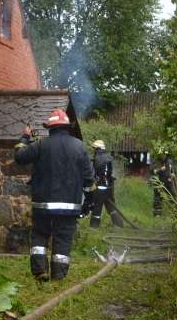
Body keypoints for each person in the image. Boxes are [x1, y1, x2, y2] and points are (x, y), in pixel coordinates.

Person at [14, 108, 95, 281]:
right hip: (69, 207)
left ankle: (40, 271)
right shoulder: (79, 146)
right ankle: (58, 275)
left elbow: (20, 157)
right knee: (63, 239)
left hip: (43, 205)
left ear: (50, 128)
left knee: (39, 236)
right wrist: (88, 202)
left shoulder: (41, 145)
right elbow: (89, 179)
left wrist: (25, 137)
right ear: (67, 127)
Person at [89, 139, 114, 228]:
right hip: (109, 187)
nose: (94, 150)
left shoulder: (97, 159)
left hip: (100, 187)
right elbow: (109, 173)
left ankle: (94, 227)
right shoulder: (109, 157)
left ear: (97, 149)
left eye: (94, 148)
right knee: (111, 207)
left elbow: (94, 174)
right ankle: (119, 224)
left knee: (97, 208)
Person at [152, 152, 177, 216]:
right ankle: (157, 214)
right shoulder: (156, 161)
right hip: (159, 182)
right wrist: (160, 169)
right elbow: (153, 172)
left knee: (173, 195)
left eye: (164, 154)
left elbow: (172, 172)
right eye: (161, 154)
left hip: (169, 182)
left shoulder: (169, 162)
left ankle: (175, 213)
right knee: (158, 198)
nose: (163, 155)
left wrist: (172, 176)